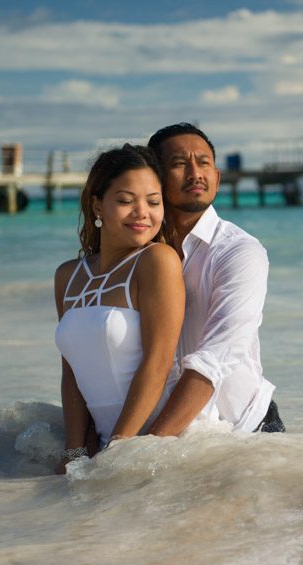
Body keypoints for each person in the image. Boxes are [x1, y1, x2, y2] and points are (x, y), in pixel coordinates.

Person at [145, 122, 284, 436]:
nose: (196, 173)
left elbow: (216, 358)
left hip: (245, 431)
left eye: (204, 163)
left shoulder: (239, 251)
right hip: (179, 432)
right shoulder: (141, 254)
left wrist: (147, 446)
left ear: (218, 179)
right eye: (179, 163)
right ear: (155, 178)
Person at [53, 144, 186, 473]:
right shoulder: (68, 276)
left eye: (153, 202)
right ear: (97, 205)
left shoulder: (157, 261)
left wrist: (118, 449)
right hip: (106, 445)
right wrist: (74, 452)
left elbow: (158, 362)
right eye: (126, 201)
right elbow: (71, 373)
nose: (142, 212)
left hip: (160, 449)